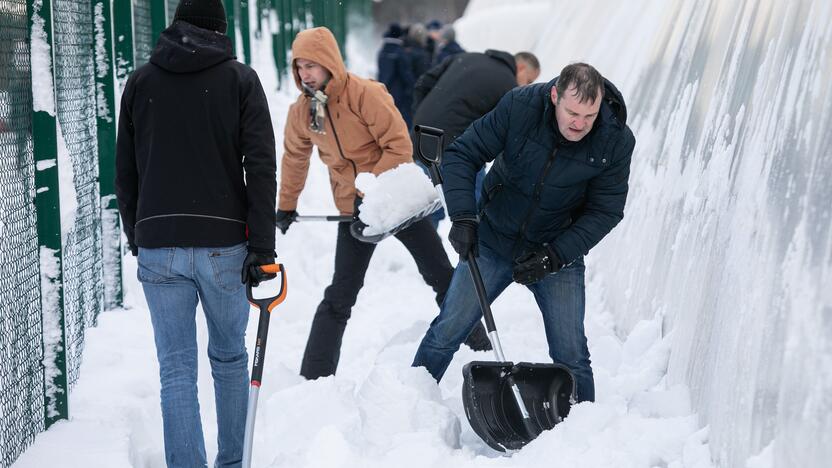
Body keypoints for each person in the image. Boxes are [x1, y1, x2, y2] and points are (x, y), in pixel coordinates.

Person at [276, 27, 491, 381]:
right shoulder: (303, 112)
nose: (304, 75)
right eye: (299, 67)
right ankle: (314, 379)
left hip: (394, 199)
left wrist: (372, 194)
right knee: (340, 294)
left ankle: (479, 348)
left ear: (329, 63)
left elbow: (398, 146)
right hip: (354, 210)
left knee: (439, 275)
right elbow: (294, 158)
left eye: (311, 66)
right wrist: (286, 205)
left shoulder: (365, 94)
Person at [412, 63, 636, 403]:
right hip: (494, 237)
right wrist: (464, 218)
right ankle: (407, 408)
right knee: (447, 330)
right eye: (572, 112)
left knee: (571, 354)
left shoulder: (614, 140)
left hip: (556, 250)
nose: (579, 124)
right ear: (554, 96)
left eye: (589, 116)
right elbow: (463, 154)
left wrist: (555, 255)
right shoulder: (520, 107)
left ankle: (585, 432)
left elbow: (605, 210)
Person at [115, 1, 277, 466]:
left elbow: (125, 170)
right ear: (221, 30)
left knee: (176, 370)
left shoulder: (142, 81)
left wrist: (139, 232)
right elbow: (260, 167)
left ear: (175, 26)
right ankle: (232, 462)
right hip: (225, 245)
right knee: (228, 360)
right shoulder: (240, 80)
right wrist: (262, 247)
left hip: (158, 243)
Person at [411, 50, 540, 227]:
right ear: (521, 67)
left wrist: (423, 117)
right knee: (476, 212)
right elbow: (509, 134)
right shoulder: (509, 86)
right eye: (529, 80)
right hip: (454, 146)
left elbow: (422, 83)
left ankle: (430, 252)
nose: (528, 86)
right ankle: (471, 251)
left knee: (430, 205)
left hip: (420, 137)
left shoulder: (465, 57)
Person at [377, 23, 416, 129]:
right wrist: (412, 88)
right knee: (403, 123)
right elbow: (406, 75)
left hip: (383, 92)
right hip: (400, 94)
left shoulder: (382, 52)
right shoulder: (400, 53)